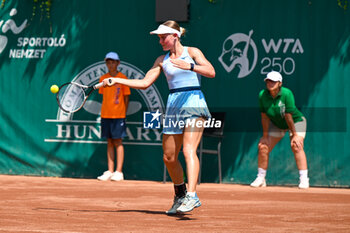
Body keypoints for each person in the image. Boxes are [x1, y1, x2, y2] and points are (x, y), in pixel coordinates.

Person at [103, 20, 215, 213]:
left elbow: (211, 72)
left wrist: (189, 66)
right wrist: (118, 80)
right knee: (169, 157)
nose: (160, 41)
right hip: (173, 105)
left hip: (194, 102)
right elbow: (145, 82)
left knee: (189, 150)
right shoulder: (161, 60)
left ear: (175, 36)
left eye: (163, 37)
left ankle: (192, 195)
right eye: (159, 38)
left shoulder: (193, 52)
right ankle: (180, 195)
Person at [250, 71, 309, 189]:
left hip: (296, 121)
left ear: (280, 83)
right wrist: (265, 136)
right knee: (263, 146)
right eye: (268, 81)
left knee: (296, 145)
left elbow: (288, 116)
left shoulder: (287, 93)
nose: (270, 83)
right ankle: (261, 178)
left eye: (273, 81)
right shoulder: (262, 95)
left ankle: (304, 179)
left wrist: (295, 135)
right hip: (278, 124)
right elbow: (264, 117)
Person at [97, 52, 130, 181]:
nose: (110, 65)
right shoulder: (103, 79)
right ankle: (110, 171)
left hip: (119, 115)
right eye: (108, 62)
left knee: (118, 142)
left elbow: (126, 97)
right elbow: (104, 96)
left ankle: (119, 171)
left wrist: (123, 113)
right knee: (109, 142)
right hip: (106, 114)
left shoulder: (123, 78)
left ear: (118, 63)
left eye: (113, 62)